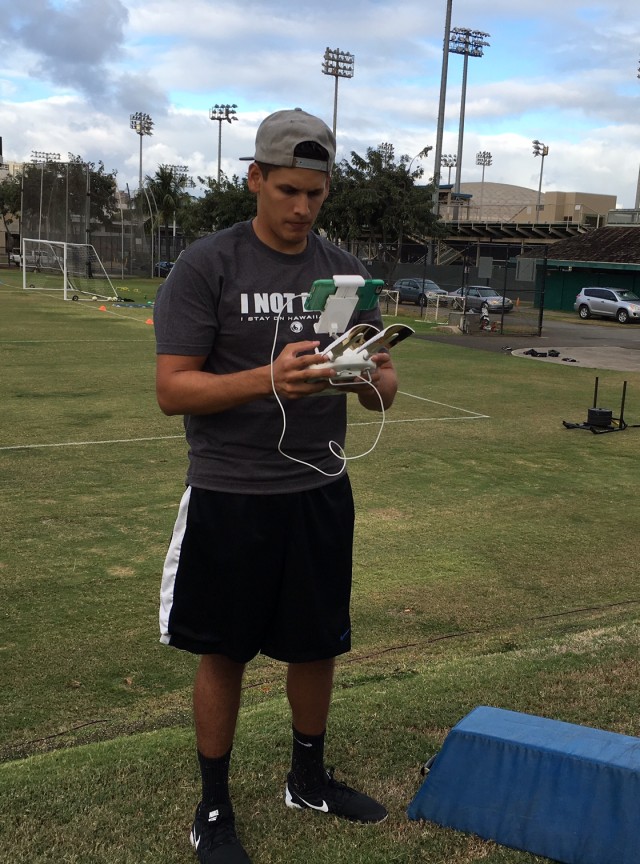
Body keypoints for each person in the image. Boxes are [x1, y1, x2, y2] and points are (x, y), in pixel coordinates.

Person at [154, 107, 398, 864]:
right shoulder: (208, 264)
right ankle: (214, 806)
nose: (301, 209)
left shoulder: (345, 272)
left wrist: (368, 383)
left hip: (320, 484)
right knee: (223, 651)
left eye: (315, 194)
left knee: (315, 645)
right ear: (255, 178)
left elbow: (384, 378)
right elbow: (172, 389)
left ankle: (309, 778)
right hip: (232, 491)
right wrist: (268, 379)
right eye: (288, 190)